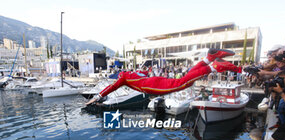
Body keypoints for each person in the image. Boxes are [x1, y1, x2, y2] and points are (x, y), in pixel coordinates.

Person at [86, 48, 241, 105]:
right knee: (185, 79)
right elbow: (145, 73)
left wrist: (98, 96)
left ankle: (214, 67)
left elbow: (111, 87)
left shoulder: (124, 77)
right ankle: (210, 57)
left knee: (183, 83)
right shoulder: (134, 72)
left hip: (153, 86)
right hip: (155, 79)